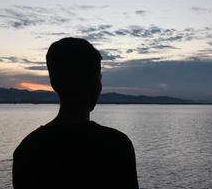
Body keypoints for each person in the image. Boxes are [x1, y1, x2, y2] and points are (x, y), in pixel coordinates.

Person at [12, 38, 139, 189]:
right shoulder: (117, 145)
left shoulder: (27, 150)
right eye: (99, 78)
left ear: (53, 83)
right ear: (96, 85)